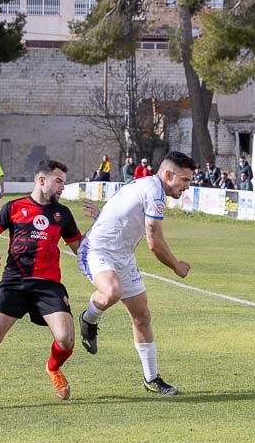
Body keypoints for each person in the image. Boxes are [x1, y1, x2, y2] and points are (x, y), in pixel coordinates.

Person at [0, 160, 83, 413]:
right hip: (14, 281)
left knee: (66, 339)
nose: (62, 188)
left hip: (47, 285)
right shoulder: (14, 207)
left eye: (64, 183)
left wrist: (100, 227)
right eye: (58, 182)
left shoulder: (62, 214)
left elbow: (81, 250)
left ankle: (53, 367)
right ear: (41, 180)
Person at [77, 151, 196, 396]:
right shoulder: (154, 192)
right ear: (168, 174)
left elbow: (121, 208)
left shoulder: (148, 185)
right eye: (184, 180)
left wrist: (102, 216)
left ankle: (152, 379)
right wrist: (176, 265)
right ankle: (89, 319)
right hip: (97, 250)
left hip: (123, 257)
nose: (187, 186)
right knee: (112, 290)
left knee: (142, 317)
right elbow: (154, 241)